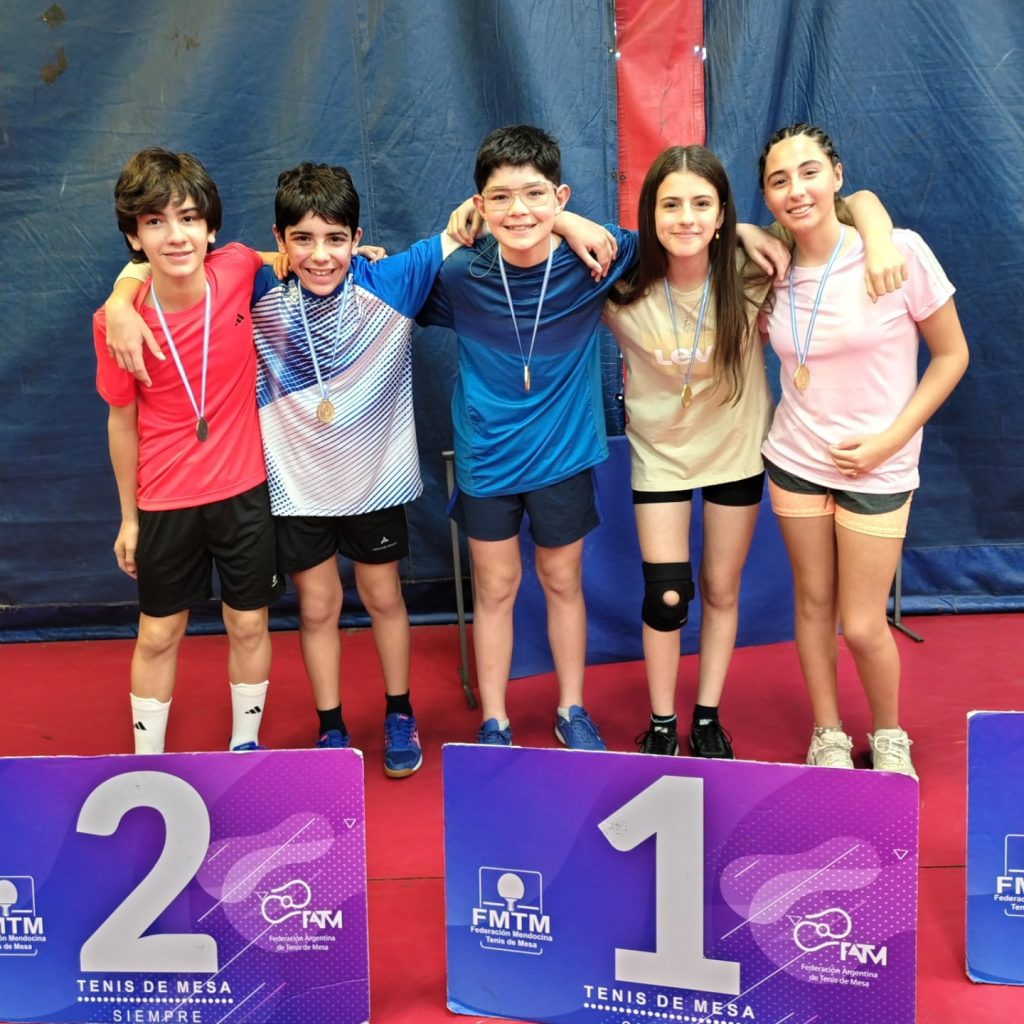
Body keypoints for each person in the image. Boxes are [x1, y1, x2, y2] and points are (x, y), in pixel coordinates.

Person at [105, 160, 461, 779]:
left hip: (375, 483)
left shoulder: (386, 280)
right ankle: (331, 724)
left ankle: (399, 712)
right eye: (303, 239)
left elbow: (469, 227)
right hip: (295, 489)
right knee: (317, 607)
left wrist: (564, 221)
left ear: (355, 238)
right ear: (280, 240)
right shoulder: (257, 286)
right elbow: (157, 259)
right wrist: (119, 299)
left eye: (335, 239)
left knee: (384, 597)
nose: (319, 255)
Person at [601, 144, 901, 760]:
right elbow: (537, 228)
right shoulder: (620, 280)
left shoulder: (753, 266)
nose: (686, 218)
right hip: (660, 456)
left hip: (735, 452)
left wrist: (876, 238)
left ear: (722, 213)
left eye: (702, 205)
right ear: (650, 213)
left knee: (720, 587)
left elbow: (852, 202)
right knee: (666, 596)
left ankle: (707, 715)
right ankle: (663, 722)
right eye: (671, 205)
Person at [418, 124, 640, 750]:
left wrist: (568, 224)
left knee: (563, 582)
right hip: (487, 460)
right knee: (495, 588)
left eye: (536, 194)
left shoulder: (594, 258)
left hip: (562, 458)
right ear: (480, 204)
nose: (519, 210)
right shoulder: (459, 274)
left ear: (561, 196)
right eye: (501, 197)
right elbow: (389, 283)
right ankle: (495, 720)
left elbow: (681, 238)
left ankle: (572, 709)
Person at [758, 122, 969, 778]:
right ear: (766, 196)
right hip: (795, 462)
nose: (796, 190)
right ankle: (827, 732)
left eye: (809, 172)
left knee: (862, 622)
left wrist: (890, 440)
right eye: (779, 180)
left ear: (838, 176)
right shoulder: (770, 268)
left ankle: (889, 735)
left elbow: (952, 356)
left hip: (880, 467)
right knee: (813, 605)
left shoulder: (896, 252)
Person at [94, 148, 283, 755]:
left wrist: (352, 254)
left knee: (248, 622)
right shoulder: (116, 323)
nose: (175, 236)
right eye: (155, 222)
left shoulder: (236, 268)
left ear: (211, 228)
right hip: (165, 500)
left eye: (189, 218)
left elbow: (283, 258)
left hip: (243, 491)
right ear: (134, 236)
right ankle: (147, 761)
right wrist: (129, 518)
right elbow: (121, 422)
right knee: (158, 634)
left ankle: (244, 745)